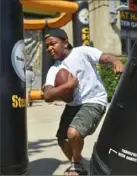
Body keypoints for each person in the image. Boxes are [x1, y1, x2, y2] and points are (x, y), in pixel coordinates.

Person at [44, 28, 124, 176]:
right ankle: (78, 165)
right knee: (62, 139)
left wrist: (115, 61)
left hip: (94, 101)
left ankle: (76, 165)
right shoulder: (54, 69)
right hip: (73, 105)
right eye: (47, 46)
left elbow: (104, 57)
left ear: (65, 42)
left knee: (73, 133)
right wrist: (68, 85)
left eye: (53, 44)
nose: (49, 48)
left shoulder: (82, 52)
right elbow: (47, 95)